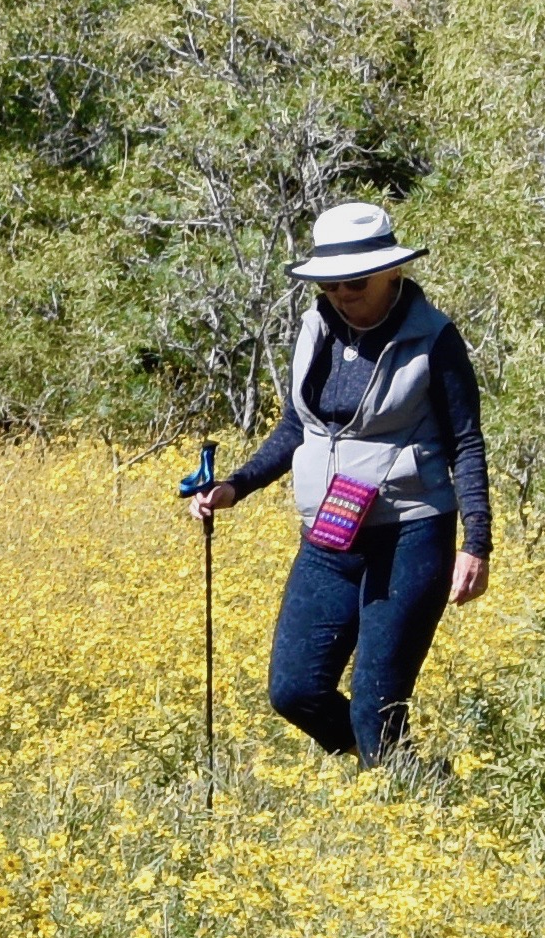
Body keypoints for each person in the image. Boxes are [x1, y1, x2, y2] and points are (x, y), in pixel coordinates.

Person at [192, 201, 491, 764]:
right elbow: (294, 427)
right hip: (330, 533)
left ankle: (402, 802)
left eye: (352, 283)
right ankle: (389, 774)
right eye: (329, 285)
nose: (340, 295)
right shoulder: (316, 328)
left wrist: (476, 544)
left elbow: (465, 443)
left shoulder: (434, 339)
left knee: (376, 705)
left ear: (392, 272)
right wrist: (234, 486)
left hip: (411, 533)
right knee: (295, 690)